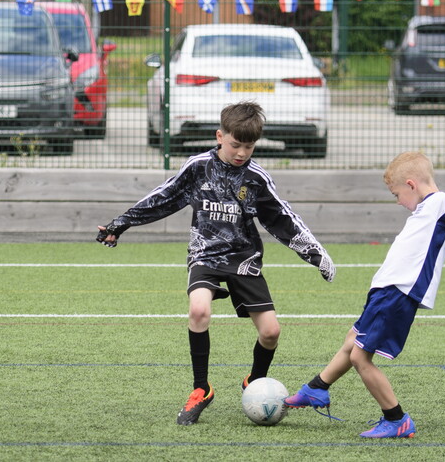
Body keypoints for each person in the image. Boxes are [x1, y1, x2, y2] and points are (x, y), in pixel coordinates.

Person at [96, 101, 335, 426]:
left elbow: (283, 219)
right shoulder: (198, 167)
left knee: (270, 332)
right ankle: (201, 389)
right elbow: (162, 197)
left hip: (243, 259)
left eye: (248, 147)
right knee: (199, 310)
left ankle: (256, 383)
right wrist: (119, 225)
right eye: (235, 144)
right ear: (219, 136)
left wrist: (316, 254)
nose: (241, 152)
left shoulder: (255, 178)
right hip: (205, 254)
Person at [284, 152, 445, 438]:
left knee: (361, 358)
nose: (397, 201)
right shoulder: (428, 216)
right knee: (352, 341)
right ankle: (316, 389)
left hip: (399, 293)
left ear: (411, 184)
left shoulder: (438, 204)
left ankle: (396, 418)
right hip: (385, 291)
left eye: (396, 193)